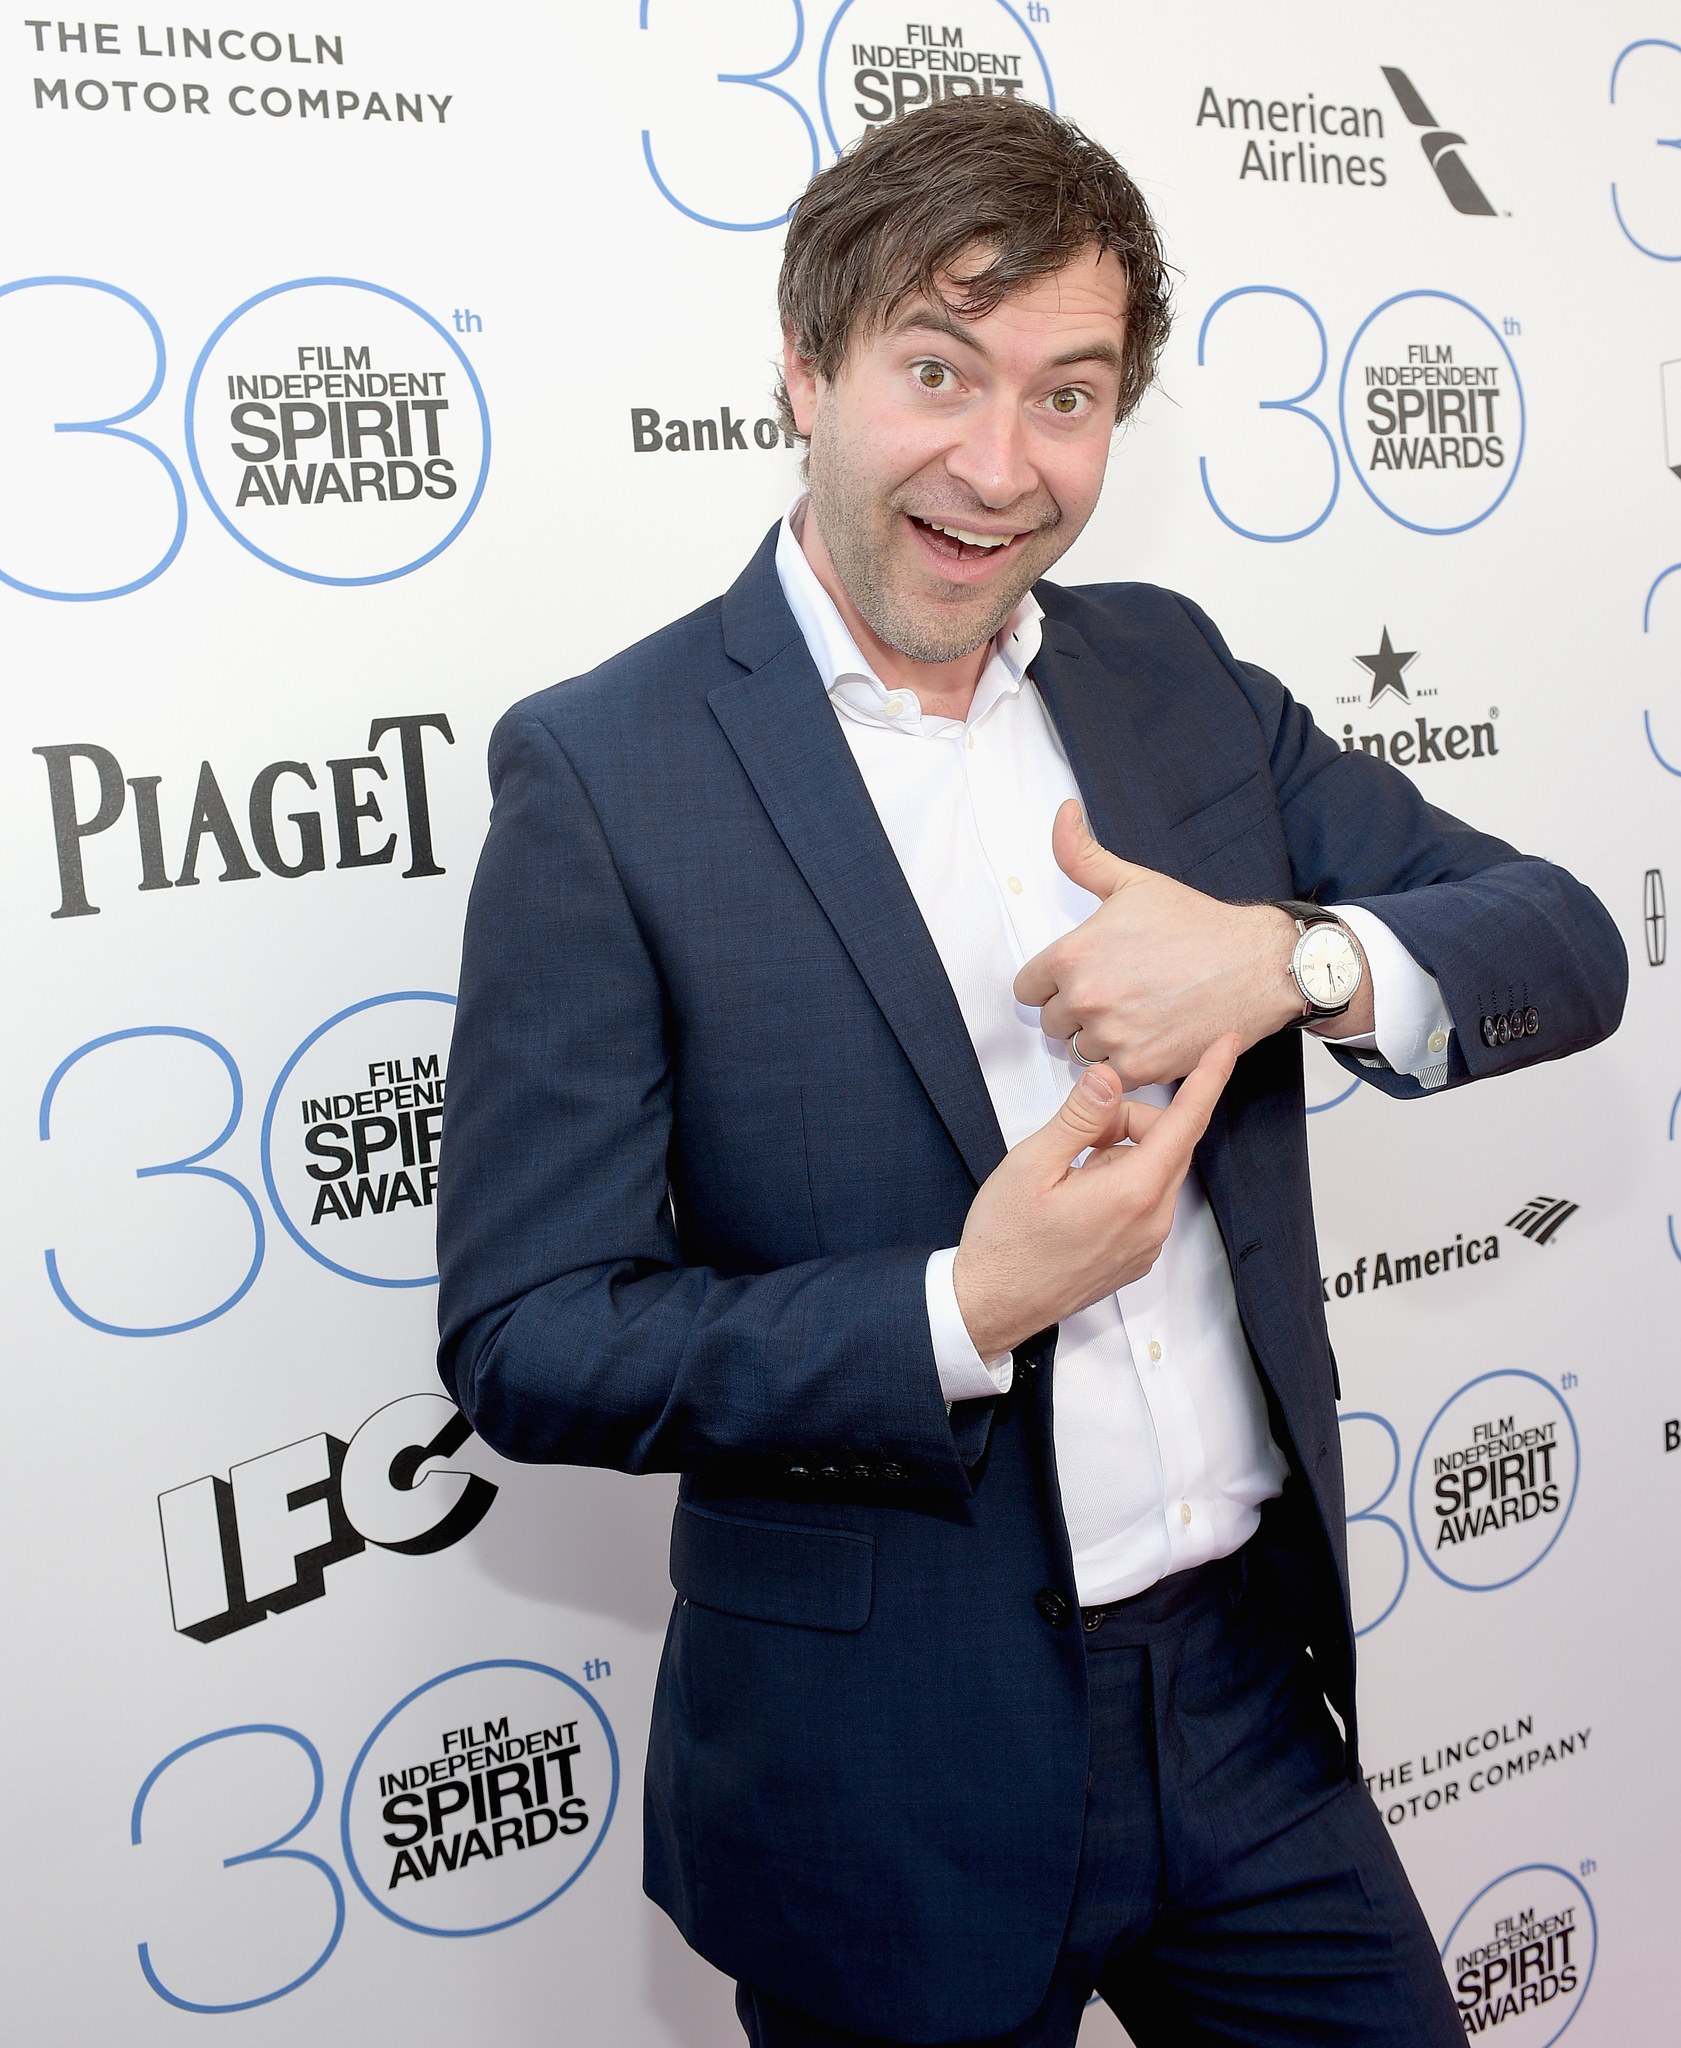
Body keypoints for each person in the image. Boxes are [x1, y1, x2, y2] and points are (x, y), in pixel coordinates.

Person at [437, 95, 1625, 2048]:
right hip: (878, 1766)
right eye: (937, 371)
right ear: (806, 372)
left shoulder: (1173, 683)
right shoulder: (605, 774)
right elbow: (527, 1335)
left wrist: (1279, 959)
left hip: (1248, 1709)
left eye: (1067, 396)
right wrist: (956, 1308)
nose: (1001, 467)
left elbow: (1559, 943)